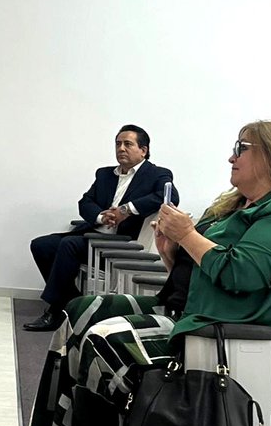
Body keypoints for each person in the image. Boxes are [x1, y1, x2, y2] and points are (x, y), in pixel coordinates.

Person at [25, 121, 271, 426]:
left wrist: (187, 235)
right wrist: (172, 250)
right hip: (192, 310)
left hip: (223, 333)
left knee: (104, 339)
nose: (231, 156)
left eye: (242, 147)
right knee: (80, 312)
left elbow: (241, 274)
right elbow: (199, 269)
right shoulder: (240, 204)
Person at [25, 126, 177, 332]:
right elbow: (85, 202)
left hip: (123, 243)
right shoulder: (105, 174)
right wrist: (100, 216)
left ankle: (55, 310)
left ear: (143, 150)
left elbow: (168, 197)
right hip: (94, 235)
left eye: (128, 144)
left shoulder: (157, 174)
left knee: (69, 244)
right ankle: (72, 303)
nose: (121, 148)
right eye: (118, 144)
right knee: (42, 245)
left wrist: (126, 210)